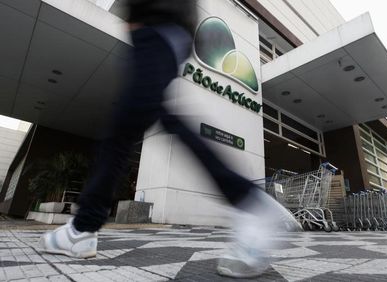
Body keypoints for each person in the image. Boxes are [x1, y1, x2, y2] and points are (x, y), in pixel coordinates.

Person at [39, 0, 300, 278]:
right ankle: (85, 227)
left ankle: (250, 203)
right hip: (168, 28)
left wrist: (138, 14)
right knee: (154, 120)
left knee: (122, 130)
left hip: (157, 24)